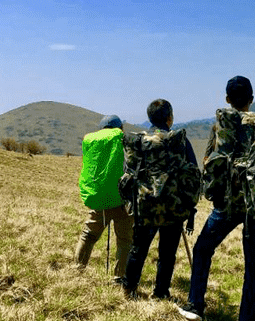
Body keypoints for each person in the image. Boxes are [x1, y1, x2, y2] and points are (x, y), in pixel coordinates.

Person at [178, 76, 255, 321]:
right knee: (254, 262)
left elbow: (208, 160)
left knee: (203, 248)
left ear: (227, 99)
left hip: (226, 203)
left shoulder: (220, 125)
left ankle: (196, 305)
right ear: (252, 99)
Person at [120, 99, 198, 301]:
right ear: (169, 117)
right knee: (167, 253)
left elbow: (128, 173)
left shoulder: (138, 142)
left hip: (144, 205)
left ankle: (129, 289)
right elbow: (192, 172)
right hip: (172, 206)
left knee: (138, 248)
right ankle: (161, 292)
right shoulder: (178, 141)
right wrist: (190, 204)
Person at [74, 114, 134, 284]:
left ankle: (78, 269)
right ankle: (119, 277)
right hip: (121, 199)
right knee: (124, 240)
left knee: (88, 235)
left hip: (99, 198)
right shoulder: (122, 139)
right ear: (120, 128)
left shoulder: (93, 141)